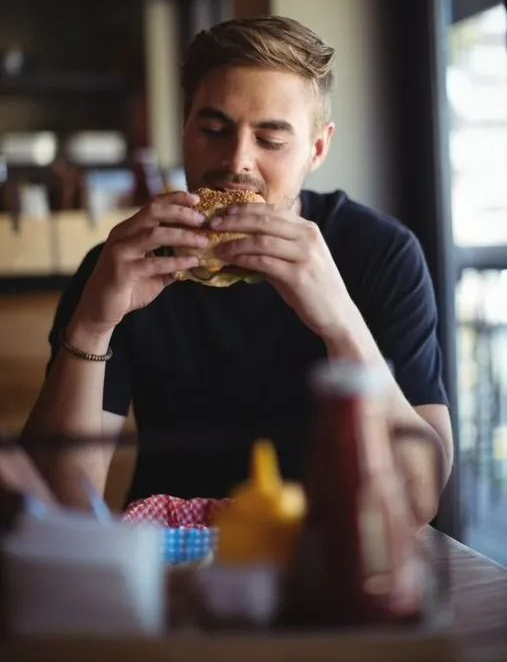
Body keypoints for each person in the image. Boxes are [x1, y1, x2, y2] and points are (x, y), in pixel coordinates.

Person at [22, 15, 453, 524]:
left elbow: (419, 500)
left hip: (331, 558)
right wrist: (93, 323)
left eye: (270, 140)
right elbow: (56, 505)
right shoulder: (122, 263)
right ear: (183, 128)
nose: (237, 162)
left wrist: (341, 324)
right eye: (213, 130)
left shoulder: (380, 254)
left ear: (317, 148)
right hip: (169, 564)